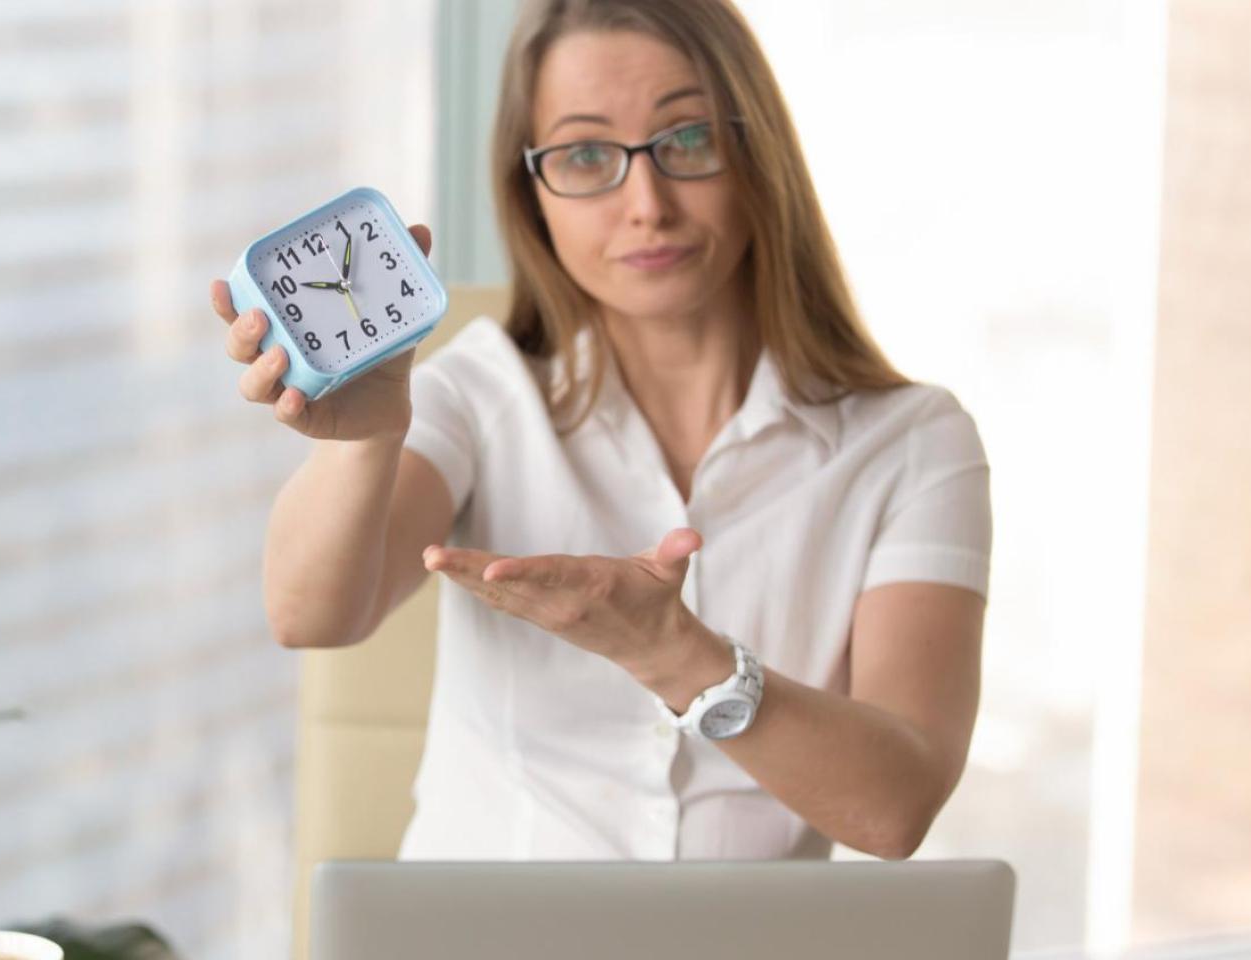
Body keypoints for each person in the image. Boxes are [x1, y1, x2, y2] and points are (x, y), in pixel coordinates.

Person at [209, 0, 989, 863]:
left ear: (757, 154)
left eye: (688, 139)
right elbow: (306, 612)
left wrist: (676, 654)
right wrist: (367, 437)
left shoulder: (915, 444)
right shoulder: (478, 391)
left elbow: (896, 808)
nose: (645, 205)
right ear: (531, 192)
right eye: (585, 155)